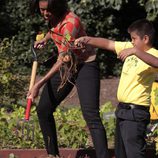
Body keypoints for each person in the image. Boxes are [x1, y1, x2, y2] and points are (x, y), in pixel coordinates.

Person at [28, 0, 109, 158]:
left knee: (91, 115)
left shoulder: (71, 23)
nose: (45, 14)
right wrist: (45, 39)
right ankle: (53, 155)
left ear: (57, 7)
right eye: (42, 10)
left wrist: (38, 84)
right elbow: (54, 31)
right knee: (44, 109)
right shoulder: (53, 18)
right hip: (68, 66)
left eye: (48, 10)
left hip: (85, 66)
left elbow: (62, 59)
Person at [74, 19, 158, 158]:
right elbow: (108, 43)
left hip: (135, 113)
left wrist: (135, 51)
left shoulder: (153, 53)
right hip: (122, 111)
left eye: (134, 39)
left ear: (145, 38)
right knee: (121, 154)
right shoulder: (129, 47)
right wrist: (86, 39)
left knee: (135, 154)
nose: (131, 42)